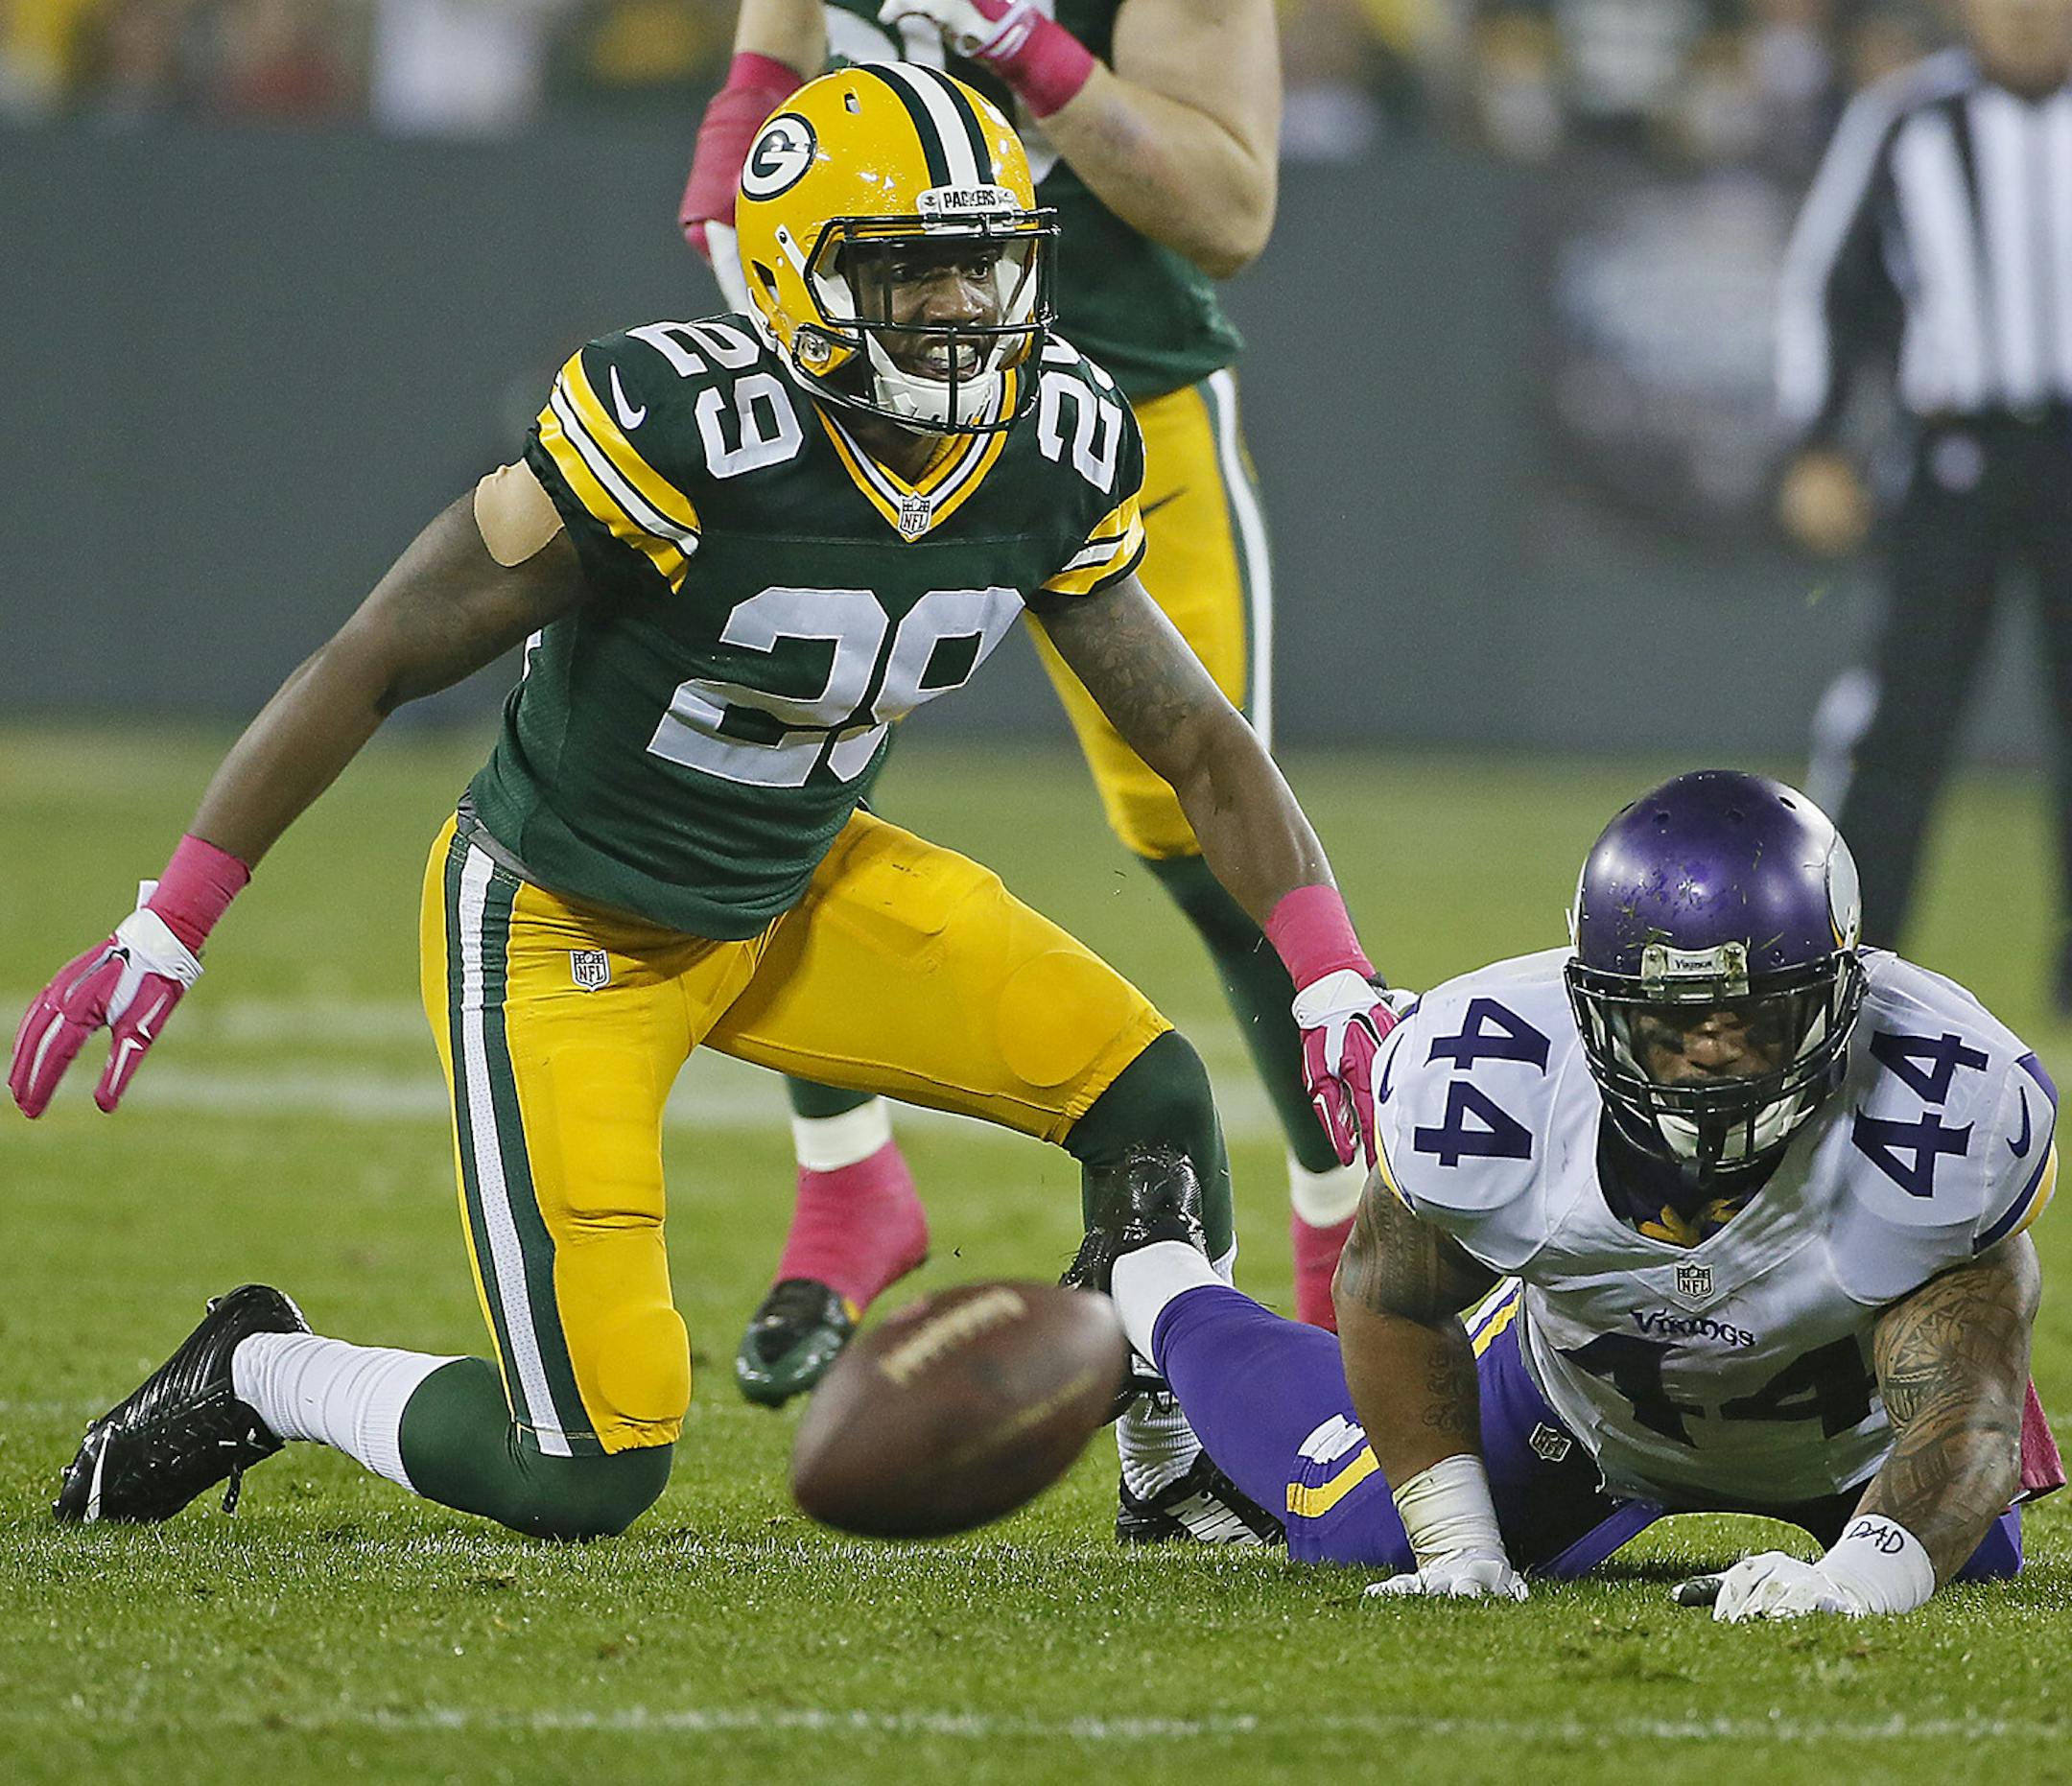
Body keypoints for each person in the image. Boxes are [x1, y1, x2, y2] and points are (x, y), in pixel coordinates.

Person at [10, 67, 1393, 1544]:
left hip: (797, 887)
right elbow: (382, 652)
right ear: (799, 276)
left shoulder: (1052, 439)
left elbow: (1198, 741)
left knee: (1156, 1105)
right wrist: (172, 919)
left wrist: (1331, 975)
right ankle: (262, 1369)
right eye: (908, 266)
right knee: (588, 1465)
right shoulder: (679, 428)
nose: (960, 303)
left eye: (984, 259)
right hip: (565, 925)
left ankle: (1171, 1466)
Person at [677, 0, 1367, 1409]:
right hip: (863, 370)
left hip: (1113, 383)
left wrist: (1030, 46)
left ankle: (1347, 1246)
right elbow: (785, 36)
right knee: (778, 753)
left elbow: (1226, 211)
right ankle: (844, 1176)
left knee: (1207, 817)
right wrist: (746, 114)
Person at [1071, 771, 2062, 1612]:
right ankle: (1156, 1277)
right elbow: (1387, 1292)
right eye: (1670, 1020)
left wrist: (1848, 1581)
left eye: (1752, 1014)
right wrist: (1460, 1546)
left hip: (1847, 1440)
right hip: (1578, 1399)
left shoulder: (1941, 1104)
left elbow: (1967, 1422)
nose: (1711, 1052)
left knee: (1958, 1556)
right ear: (1591, 1007)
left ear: (1842, 995)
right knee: (1358, 1531)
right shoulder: (1493, 1073)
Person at [1778, 0, 2072, 1010]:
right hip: (1957, 459)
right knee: (1900, 724)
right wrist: (1816, 440)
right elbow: (1828, 282)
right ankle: (1857, 972)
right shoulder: (1907, 119)